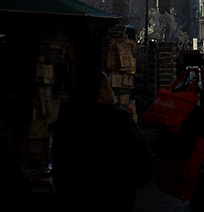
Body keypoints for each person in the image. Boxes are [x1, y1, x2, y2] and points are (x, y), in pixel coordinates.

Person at [52, 66, 156, 212]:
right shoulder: (119, 121)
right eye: (108, 88)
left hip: (76, 202)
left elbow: (59, 169)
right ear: (101, 92)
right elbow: (144, 168)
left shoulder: (66, 123)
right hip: (115, 202)